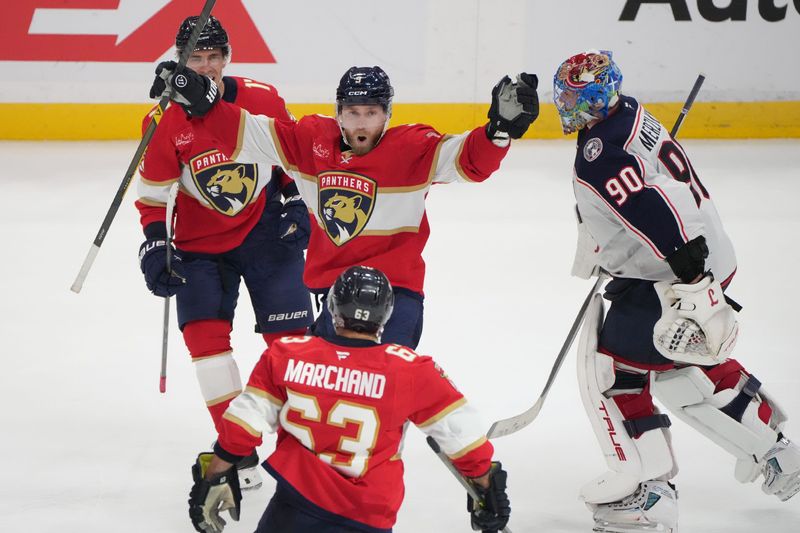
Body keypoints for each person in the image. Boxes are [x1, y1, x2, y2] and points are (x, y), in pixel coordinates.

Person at [555, 50, 800, 532]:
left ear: (598, 96)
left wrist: (684, 267)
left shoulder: (600, 151)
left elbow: (648, 204)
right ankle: (777, 454)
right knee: (686, 363)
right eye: (562, 93)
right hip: (705, 258)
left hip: (670, 272)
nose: (564, 102)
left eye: (574, 95)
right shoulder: (628, 114)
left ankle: (649, 494)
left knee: (614, 374)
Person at [149, 62, 539, 349]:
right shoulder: (308, 143)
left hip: (396, 291)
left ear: (388, 114)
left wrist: (498, 132)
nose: (362, 123)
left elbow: (468, 161)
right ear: (339, 113)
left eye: (372, 112)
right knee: (326, 393)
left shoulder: (413, 149)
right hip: (335, 292)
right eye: (353, 113)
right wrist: (204, 104)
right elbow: (246, 132)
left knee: (384, 382)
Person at [186, 265, 511, 533]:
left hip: (294, 506)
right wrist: (487, 487)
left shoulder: (287, 354)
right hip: (367, 514)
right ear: (385, 316)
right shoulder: (412, 370)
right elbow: (462, 437)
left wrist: (213, 475)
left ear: (332, 308)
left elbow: (243, 424)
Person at [136, 16, 314, 488]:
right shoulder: (162, 118)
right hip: (198, 245)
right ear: (181, 60)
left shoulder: (262, 97)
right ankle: (239, 453)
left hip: (265, 233)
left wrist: (296, 200)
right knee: (206, 345)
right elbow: (154, 196)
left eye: (215, 56)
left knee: (295, 344)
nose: (208, 66)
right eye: (197, 57)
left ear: (227, 57)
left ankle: (303, 450)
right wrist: (156, 245)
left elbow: (290, 154)